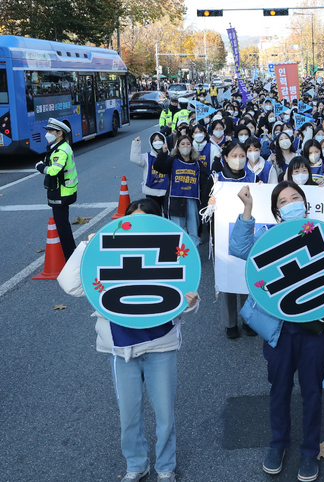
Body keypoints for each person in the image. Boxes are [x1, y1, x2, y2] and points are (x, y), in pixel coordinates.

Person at [229, 182, 324, 482]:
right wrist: (248, 209)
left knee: (313, 392)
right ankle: (277, 445)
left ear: (305, 203)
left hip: (313, 331)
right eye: (284, 200)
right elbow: (238, 249)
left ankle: (308, 450)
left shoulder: (322, 234)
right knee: (279, 391)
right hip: (278, 333)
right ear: (277, 210)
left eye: (295, 198)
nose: (291, 203)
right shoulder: (267, 237)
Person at [57, 198, 199, 482]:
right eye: (131, 222)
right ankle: (136, 465)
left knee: (165, 415)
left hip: (161, 344)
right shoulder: (107, 255)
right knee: (128, 415)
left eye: (146, 223)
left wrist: (191, 303)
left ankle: (165, 467)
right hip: (121, 347)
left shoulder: (173, 251)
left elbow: (187, 295)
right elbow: (69, 284)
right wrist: (89, 246)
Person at [207, 141, 260, 338]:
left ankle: (249, 319)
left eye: (242, 156)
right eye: (234, 156)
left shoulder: (254, 177)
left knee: (248, 278)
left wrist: (262, 190)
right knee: (228, 278)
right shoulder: (216, 179)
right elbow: (204, 206)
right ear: (225, 158)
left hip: (247, 235)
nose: (239, 160)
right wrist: (210, 202)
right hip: (224, 236)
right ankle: (230, 323)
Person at [153, 135, 209, 247]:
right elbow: (159, 167)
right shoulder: (172, 160)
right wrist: (163, 153)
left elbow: (204, 181)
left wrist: (205, 200)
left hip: (192, 199)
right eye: (182, 144)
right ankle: (177, 255)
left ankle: (194, 253)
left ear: (192, 147)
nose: (185, 146)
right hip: (175, 199)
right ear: (177, 147)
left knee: (194, 228)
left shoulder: (197, 163)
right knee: (177, 228)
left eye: (188, 144)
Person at [35, 118, 78, 261]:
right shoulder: (60, 147)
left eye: (50, 131)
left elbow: (54, 171)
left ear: (59, 133)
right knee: (63, 225)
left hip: (62, 193)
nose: (47, 133)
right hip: (64, 190)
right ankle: (71, 254)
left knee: (62, 227)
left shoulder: (61, 150)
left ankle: (70, 257)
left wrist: (40, 167)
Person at [130, 133, 170, 216]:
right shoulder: (147, 157)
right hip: (151, 191)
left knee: (168, 215)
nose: (157, 142)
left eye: (160, 140)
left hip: (166, 191)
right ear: (151, 143)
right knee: (154, 215)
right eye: (155, 140)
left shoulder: (169, 157)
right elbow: (135, 159)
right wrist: (136, 144)